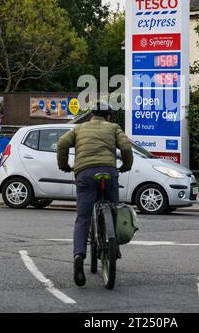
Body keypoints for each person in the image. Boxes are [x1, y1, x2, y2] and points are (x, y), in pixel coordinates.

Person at [57, 101, 133, 287]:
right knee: (114, 208)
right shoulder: (114, 127)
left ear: (91, 116)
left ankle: (78, 255)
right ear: (108, 116)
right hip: (108, 171)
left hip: (85, 173)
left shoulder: (79, 128)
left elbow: (61, 144)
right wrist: (126, 166)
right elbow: (126, 148)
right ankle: (113, 246)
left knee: (83, 218)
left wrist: (64, 165)